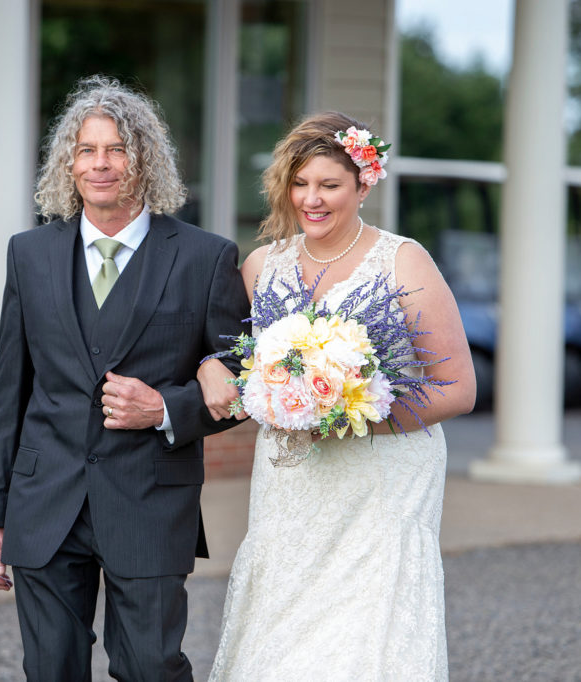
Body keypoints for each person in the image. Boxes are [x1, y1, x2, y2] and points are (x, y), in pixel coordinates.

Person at [0, 75, 250, 681]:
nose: (101, 164)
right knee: (50, 671)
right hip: (44, 504)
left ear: (144, 160)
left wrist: (166, 409)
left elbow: (245, 383)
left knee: (152, 667)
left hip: (151, 502)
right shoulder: (29, 253)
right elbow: (8, 392)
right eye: (87, 150)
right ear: (68, 163)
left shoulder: (206, 258)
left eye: (117, 149)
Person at [197, 111, 476, 680]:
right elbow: (227, 356)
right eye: (300, 184)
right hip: (292, 486)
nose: (311, 199)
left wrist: (350, 413)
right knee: (283, 640)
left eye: (329, 185)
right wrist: (209, 367)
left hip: (383, 483)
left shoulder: (402, 260)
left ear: (363, 182)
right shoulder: (260, 266)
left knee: (362, 641)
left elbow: (457, 387)